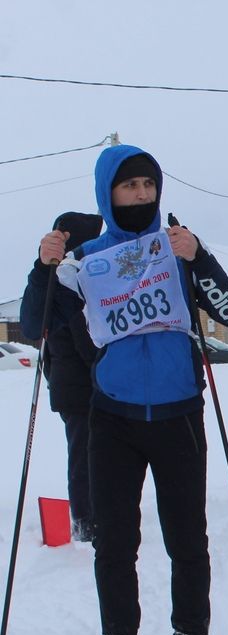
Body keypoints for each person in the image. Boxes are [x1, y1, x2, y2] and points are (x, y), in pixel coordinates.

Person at [53, 145, 228, 635]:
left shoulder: (177, 245)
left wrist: (200, 257)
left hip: (178, 409)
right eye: (128, 186)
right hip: (112, 415)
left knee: (188, 539)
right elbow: (39, 317)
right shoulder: (87, 256)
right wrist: (45, 266)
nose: (141, 196)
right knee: (115, 543)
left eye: (147, 186)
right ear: (106, 193)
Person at [23, 211, 103, 543]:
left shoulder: (70, 277)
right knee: (85, 458)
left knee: (89, 455)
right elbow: (81, 342)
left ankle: (93, 515)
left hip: (74, 387)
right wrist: (103, 370)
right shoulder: (65, 280)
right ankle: (86, 521)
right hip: (80, 389)